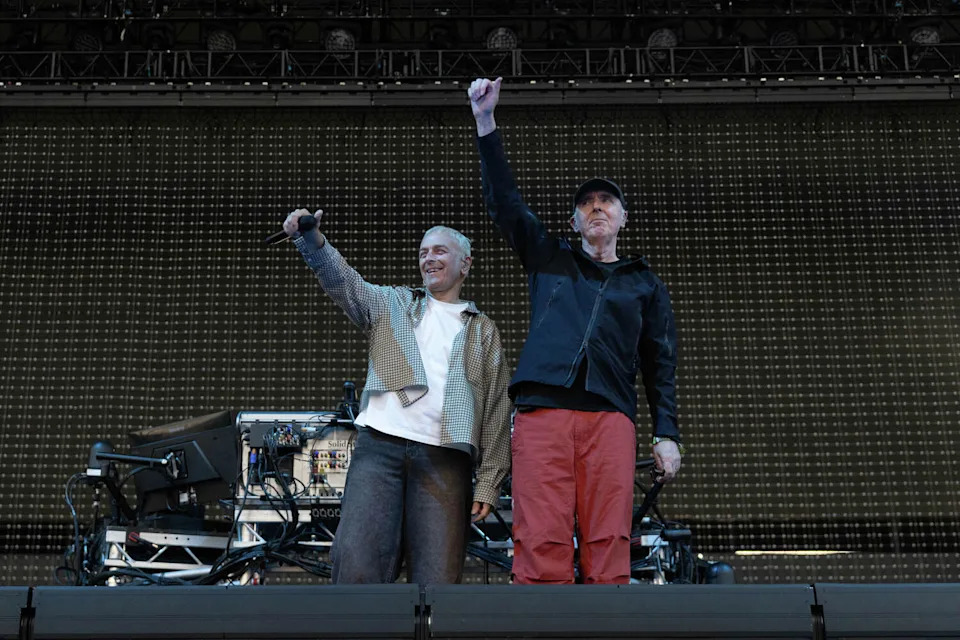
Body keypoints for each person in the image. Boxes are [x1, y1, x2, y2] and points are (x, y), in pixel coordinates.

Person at [466, 77, 683, 585]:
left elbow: (660, 362)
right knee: (540, 534)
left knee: (610, 538)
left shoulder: (644, 284)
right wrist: (485, 123)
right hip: (544, 411)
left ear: (623, 218)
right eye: (587, 203)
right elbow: (506, 203)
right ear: (575, 220)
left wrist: (667, 433)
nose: (597, 208)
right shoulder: (550, 258)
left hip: (610, 416)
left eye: (607, 201)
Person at [282, 208, 511, 584]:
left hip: (445, 459)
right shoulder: (393, 303)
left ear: (465, 264)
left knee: (436, 583)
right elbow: (344, 282)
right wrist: (311, 239)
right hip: (379, 450)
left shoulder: (482, 329)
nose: (428, 258)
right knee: (356, 567)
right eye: (423, 252)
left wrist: (488, 481)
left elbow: (497, 411)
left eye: (439, 251)